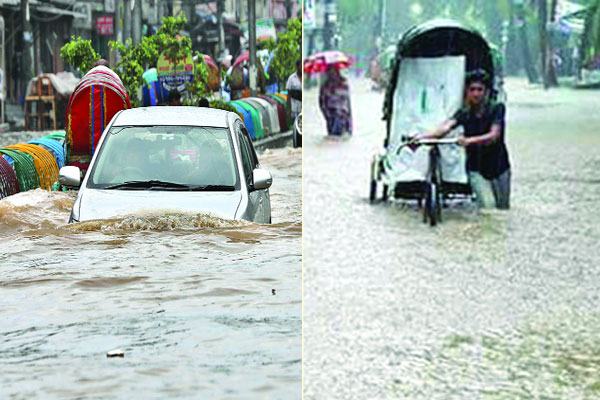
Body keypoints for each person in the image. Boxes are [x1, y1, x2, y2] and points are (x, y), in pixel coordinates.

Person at [415, 69, 511, 209]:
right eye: (472, 89)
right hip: (476, 169)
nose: (476, 94)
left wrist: (469, 141)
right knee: (488, 207)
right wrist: (420, 138)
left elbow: (494, 135)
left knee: (503, 209)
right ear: (466, 91)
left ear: (486, 92)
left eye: (480, 89)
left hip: (500, 167)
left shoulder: (497, 109)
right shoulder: (464, 113)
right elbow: (445, 128)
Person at [318, 68, 352, 136]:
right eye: (330, 72)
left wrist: (350, 124)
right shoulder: (325, 86)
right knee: (333, 136)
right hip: (331, 115)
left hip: (341, 115)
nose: (332, 74)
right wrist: (326, 115)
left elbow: (348, 103)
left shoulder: (343, 84)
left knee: (336, 137)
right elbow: (321, 102)